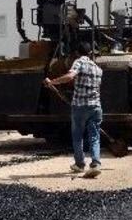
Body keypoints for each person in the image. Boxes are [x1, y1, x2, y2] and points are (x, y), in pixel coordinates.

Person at [44, 42, 103, 178]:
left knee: (77, 136)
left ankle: (80, 164)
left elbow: (70, 77)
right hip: (96, 106)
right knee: (94, 136)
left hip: (80, 107)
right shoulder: (98, 69)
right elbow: (97, 89)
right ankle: (95, 164)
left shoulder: (79, 62)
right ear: (90, 53)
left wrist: (52, 82)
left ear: (77, 53)